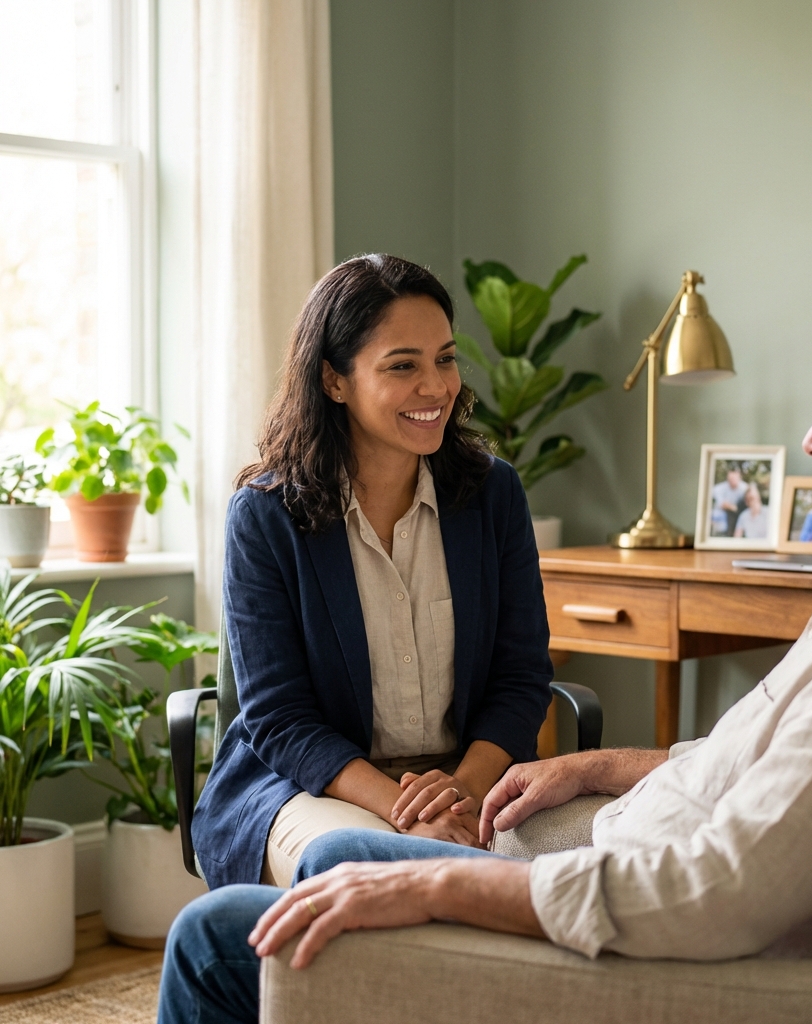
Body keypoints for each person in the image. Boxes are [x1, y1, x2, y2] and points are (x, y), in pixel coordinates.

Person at [160, 292, 812, 1024]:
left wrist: (439, 885)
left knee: (219, 936)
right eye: (401, 364)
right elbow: (787, 769)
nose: (811, 437)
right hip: (547, 846)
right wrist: (602, 765)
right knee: (304, 881)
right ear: (334, 381)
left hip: (632, 933)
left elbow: (714, 890)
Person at [189, 254, 553, 892]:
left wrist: (461, 792)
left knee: (609, 841)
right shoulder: (266, 516)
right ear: (334, 381)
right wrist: (405, 812)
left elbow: (520, 677)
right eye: (402, 366)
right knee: (363, 867)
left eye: (444, 358)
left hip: (469, 777)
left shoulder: (494, 495)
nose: (437, 388)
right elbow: (280, 719)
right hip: (311, 786)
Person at [710, 464, 747, 536]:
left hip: (737, 514)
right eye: (730, 478)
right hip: (723, 513)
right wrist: (735, 508)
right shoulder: (719, 488)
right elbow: (723, 505)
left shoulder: (744, 488)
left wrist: (736, 508)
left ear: (739, 477)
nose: (732, 480)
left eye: (735, 478)